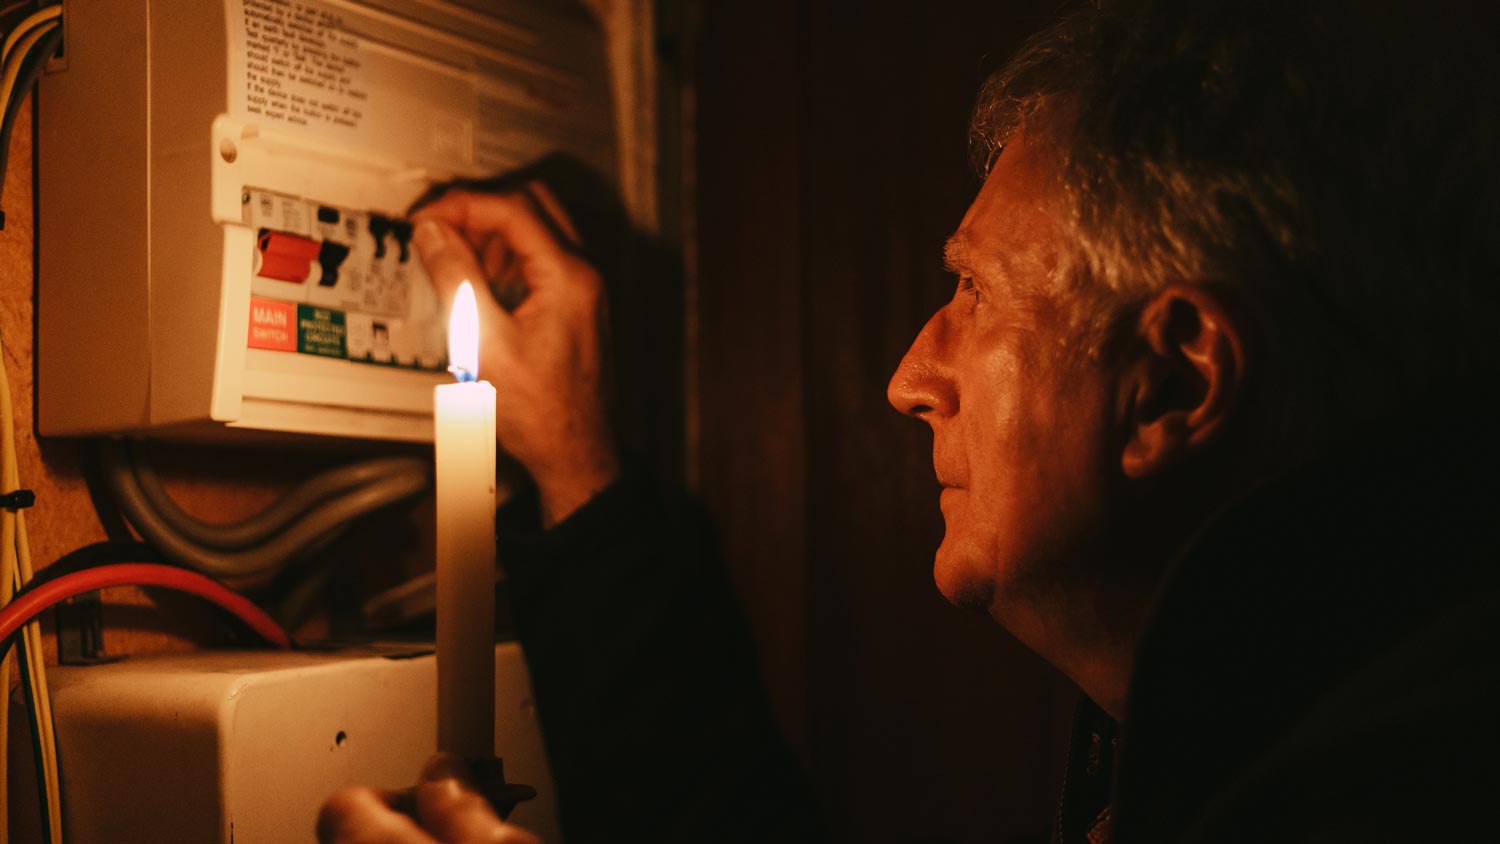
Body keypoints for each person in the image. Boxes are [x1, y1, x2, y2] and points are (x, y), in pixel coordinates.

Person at [319, 0, 1500, 841]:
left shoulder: (1398, 791)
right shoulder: (1236, 734)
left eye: (973, 292)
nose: (908, 374)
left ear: (1179, 380)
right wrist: (581, 470)